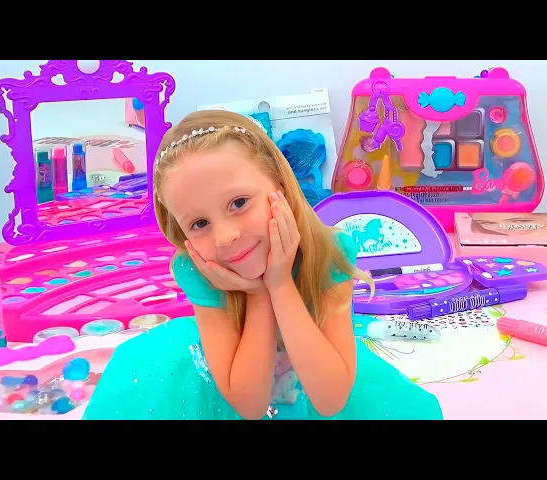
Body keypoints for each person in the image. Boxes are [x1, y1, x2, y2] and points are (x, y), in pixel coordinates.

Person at [83, 111, 443, 420]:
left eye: (239, 202)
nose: (226, 236)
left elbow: (331, 400)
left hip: (319, 375)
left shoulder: (329, 253)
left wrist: (281, 284)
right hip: (221, 389)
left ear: (280, 185)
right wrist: (257, 296)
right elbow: (249, 406)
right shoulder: (200, 272)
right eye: (199, 223)